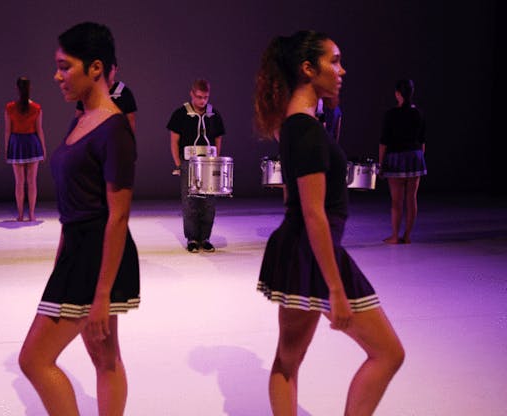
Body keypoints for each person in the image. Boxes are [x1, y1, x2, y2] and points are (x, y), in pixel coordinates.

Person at [254, 31, 404, 415]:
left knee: (288, 360)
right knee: (388, 353)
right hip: (313, 252)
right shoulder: (304, 129)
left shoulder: (295, 124)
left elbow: (298, 203)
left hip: (299, 252)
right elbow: (313, 212)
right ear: (308, 68)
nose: (342, 70)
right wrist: (335, 290)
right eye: (334, 61)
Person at [18, 22, 140, 416]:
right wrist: (60, 256)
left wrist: (102, 295)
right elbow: (75, 207)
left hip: (95, 258)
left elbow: (118, 215)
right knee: (105, 358)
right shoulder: (80, 120)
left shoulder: (114, 128)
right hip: (78, 252)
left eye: (64, 66)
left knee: (34, 359)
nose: (56, 76)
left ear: (96, 68)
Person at [166, 79, 226, 253]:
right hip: (188, 162)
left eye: (205, 97)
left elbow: (218, 139)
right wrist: (178, 164)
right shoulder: (180, 114)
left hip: (209, 163)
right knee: (190, 201)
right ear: (192, 94)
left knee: (209, 202)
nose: (202, 101)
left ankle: (205, 237)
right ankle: (192, 238)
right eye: (199, 97)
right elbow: (174, 141)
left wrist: (216, 160)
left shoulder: (213, 114)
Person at [378, 79, 427, 244]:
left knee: (396, 201)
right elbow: (422, 141)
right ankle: (407, 236)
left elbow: (384, 142)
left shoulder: (391, 114)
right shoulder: (418, 113)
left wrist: (381, 163)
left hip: (396, 159)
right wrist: (420, 159)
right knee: (411, 199)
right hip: (415, 157)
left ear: (397, 94)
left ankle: (394, 236)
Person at [4, 77, 47, 221]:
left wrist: (6, 148)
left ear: (17, 88)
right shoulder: (36, 108)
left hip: (16, 143)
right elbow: (39, 130)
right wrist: (43, 147)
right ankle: (32, 214)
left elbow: (7, 131)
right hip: (32, 143)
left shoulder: (10, 107)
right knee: (32, 182)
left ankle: (21, 215)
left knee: (19, 182)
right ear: (30, 88)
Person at [75, 60, 137, 132]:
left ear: (115, 69)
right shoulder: (88, 91)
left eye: (110, 69)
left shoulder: (124, 92)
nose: (107, 73)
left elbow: (130, 123)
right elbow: (78, 119)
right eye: (104, 69)